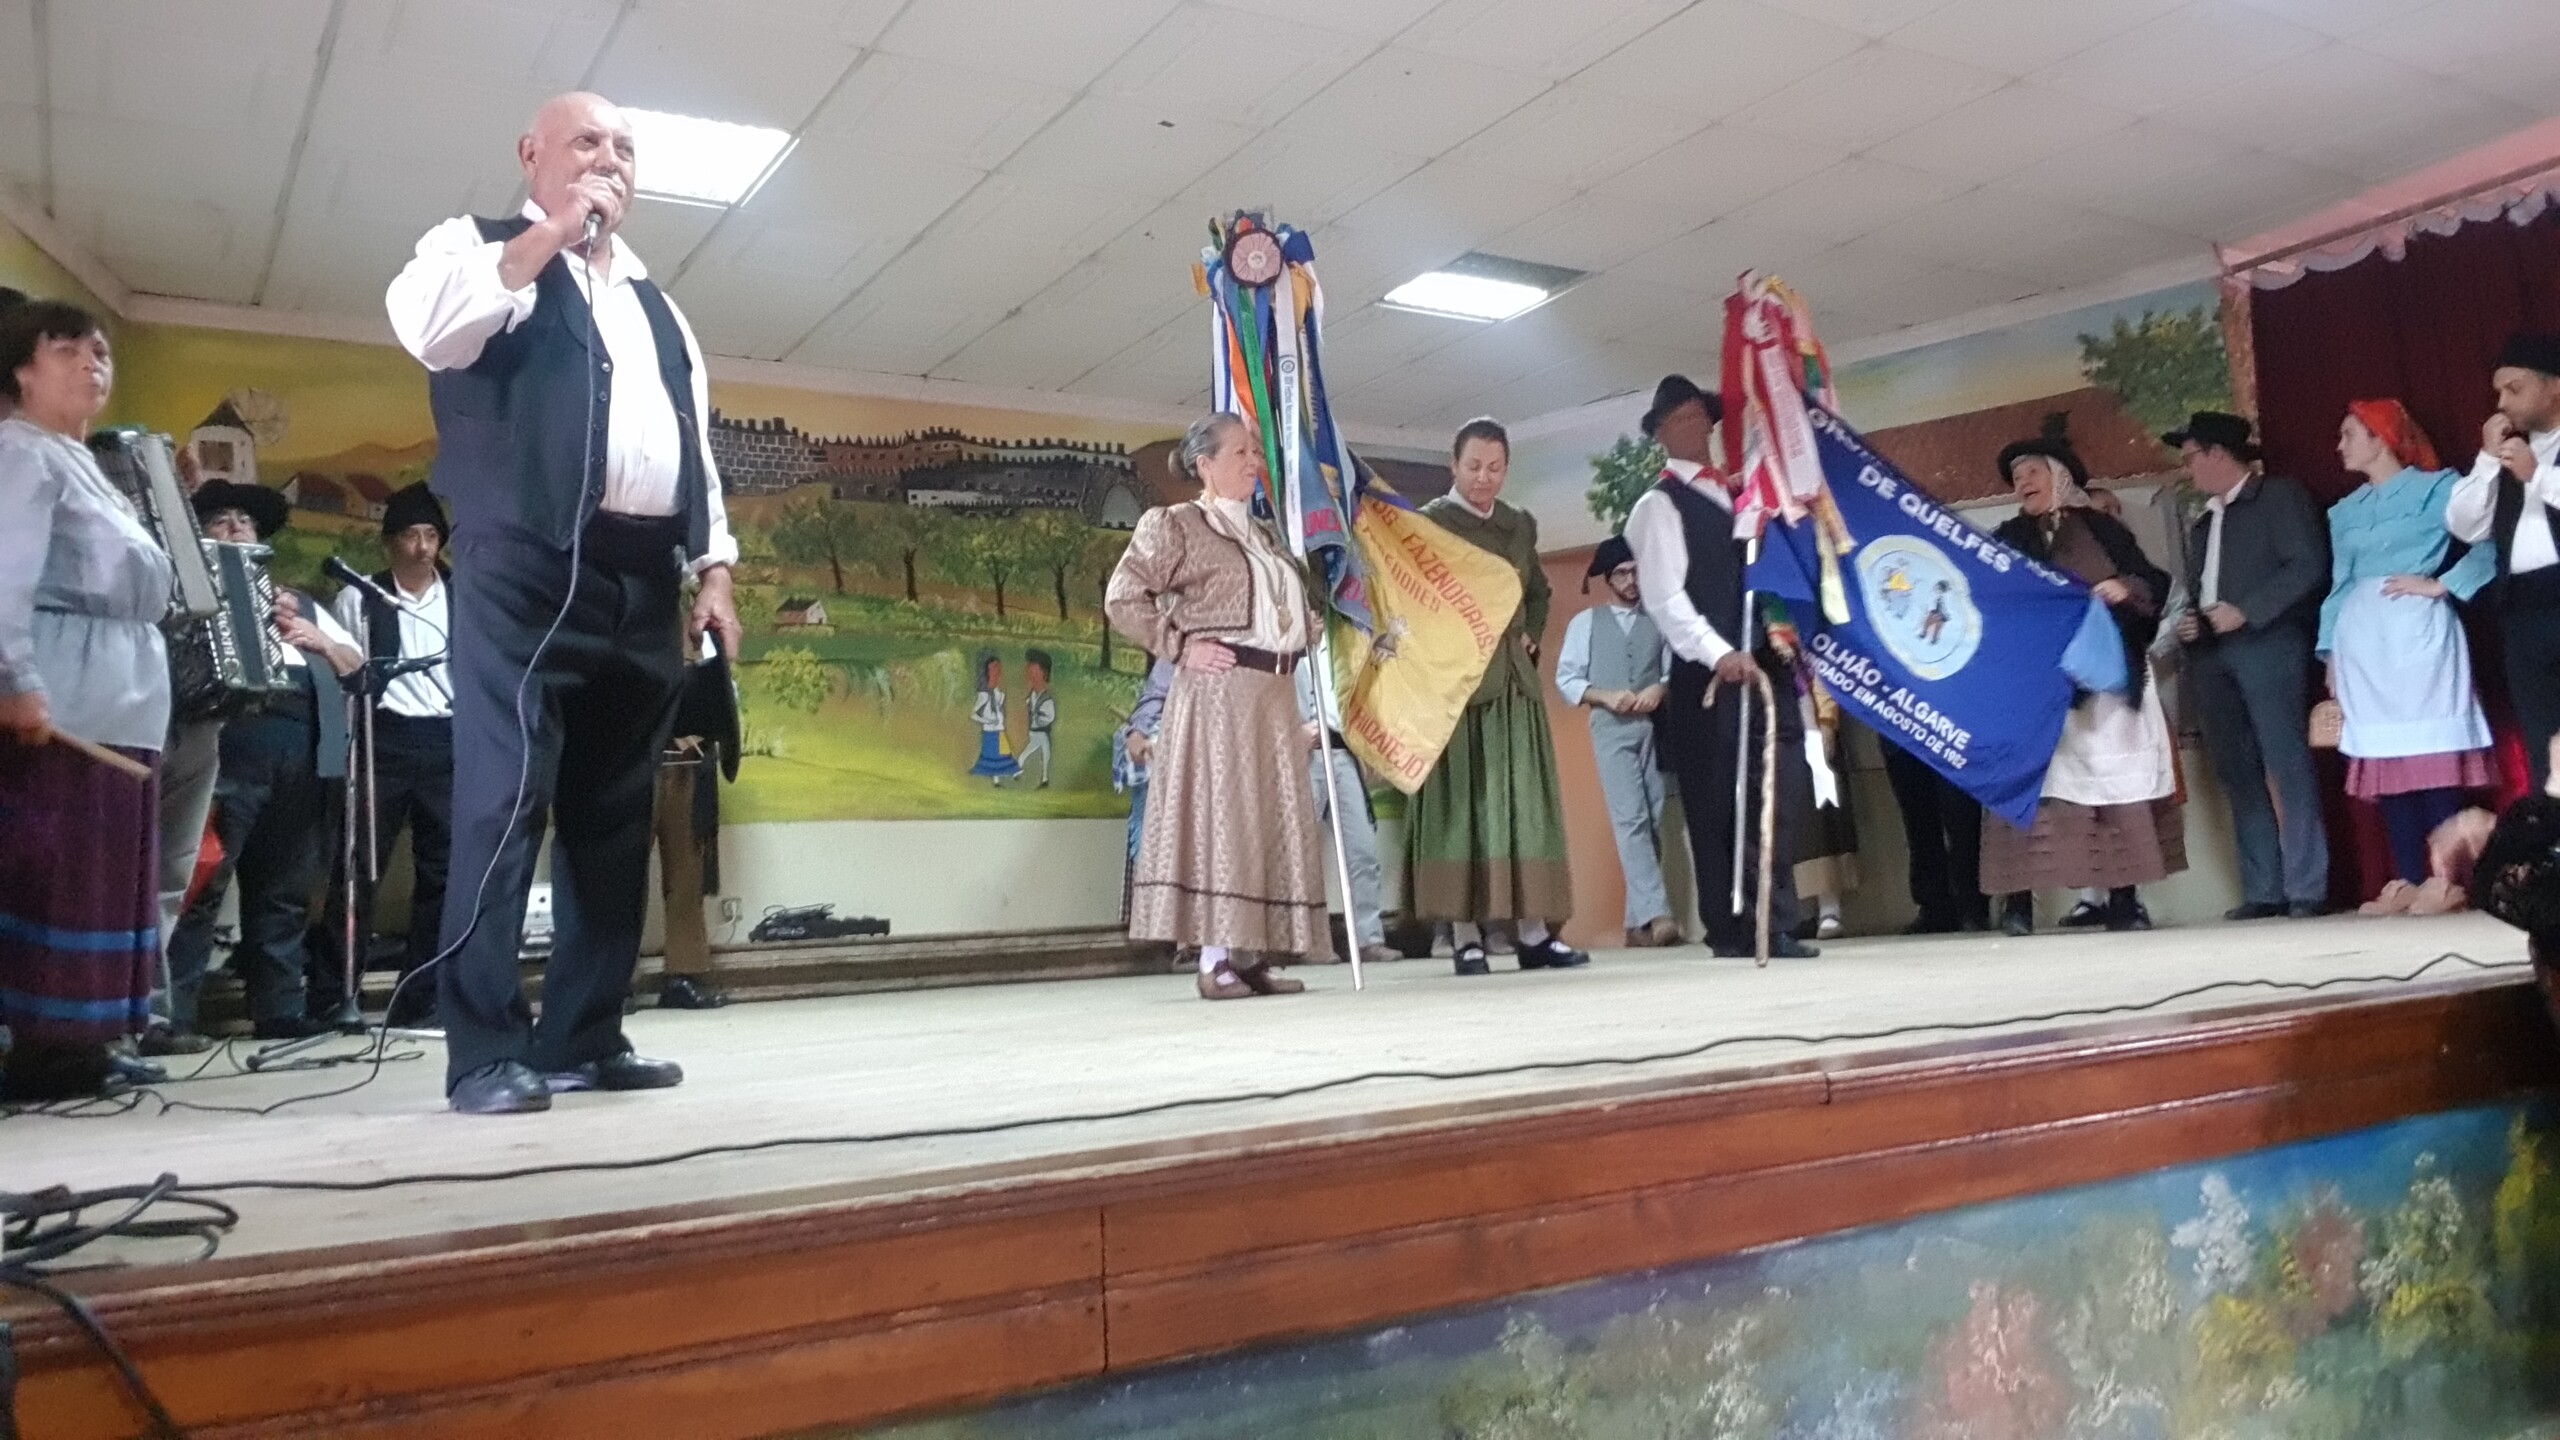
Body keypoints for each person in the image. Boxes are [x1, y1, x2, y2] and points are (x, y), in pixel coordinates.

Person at [386, 91, 742, 1114]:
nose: (609, 159)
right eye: (587, 141)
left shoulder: (660, 307)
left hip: (643, 576)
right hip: (524, 564)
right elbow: (432, 329)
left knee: (615, 813)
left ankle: (583, 1036)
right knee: (504, 802)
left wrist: (714, 568)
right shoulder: (474, 245)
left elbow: (692, 445)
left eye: (625, 147)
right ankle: (482, 1052)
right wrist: (551, 235)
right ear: (531, 152)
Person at [0, 300, 171, 1100]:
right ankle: (46, 1049)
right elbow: (5, 575)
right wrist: (17, 680)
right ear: (21, 371)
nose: (90, 362)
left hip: (120, 694)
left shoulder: (82, 463)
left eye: (99, 350)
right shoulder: (19, 451)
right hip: (68, 689)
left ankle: (84, 1041)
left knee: (102, 872)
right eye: (65, 349)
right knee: (58, 872)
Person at [1105, 413, 1321, 1000]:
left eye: (1256, 452)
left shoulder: (1267, 536)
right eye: (1241, 452)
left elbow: (1286, 614)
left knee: (1266, 822)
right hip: (1220, 694)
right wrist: (1180, 646)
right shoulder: (1176, 525)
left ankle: (1252, 956)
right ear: (1204, 464)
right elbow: (1123, 597)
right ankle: (1214, 959)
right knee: (1224, 819)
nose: (1254, 461)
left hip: (1274, 695)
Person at [1626, 375, 1819, 960]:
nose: (1697, 427)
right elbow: (1665, 598)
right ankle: (1733, 927)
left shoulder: (1741, 496)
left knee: (1774, 790)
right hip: (1709, 675)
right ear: (1661, 434)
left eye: (1700, 416)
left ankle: (1774, 918)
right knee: (1719, 801)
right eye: (1681, 419)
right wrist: (1718, 652)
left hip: (1764, 664)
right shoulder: (1658, 505)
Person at [166, 483, 362, 1041]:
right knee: (202, 881)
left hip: (304, 756)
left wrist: (318, 639)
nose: (235, 527)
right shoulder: (187, 596)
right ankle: (172, 1014)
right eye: (221, 520)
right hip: (227, 751)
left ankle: (280, 1009)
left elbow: (355, 667)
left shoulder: (302, 603)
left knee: (285, 886)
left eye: (245, 521)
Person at [1406, 418, 1590, 976]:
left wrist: (1531, 631)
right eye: (1473, 467)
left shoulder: (1519, 525)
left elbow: (1539, 591)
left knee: (1524, 810)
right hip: (1458, 689)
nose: (1483, 478)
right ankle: (1465, 937)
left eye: (1495, 468)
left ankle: (1534, 934)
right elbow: (1411, 603)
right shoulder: (1428, 525)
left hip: (1513, 685)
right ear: (1453, 466)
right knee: (1462, 809)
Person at [1984, 432, 2184, 934]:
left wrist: (2123, 587)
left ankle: (2124, 899)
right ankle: (2017, 906)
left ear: (2060, 475)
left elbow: (2151, 580)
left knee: (2114, 787)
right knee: (2028, 790)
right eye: (2016, 478)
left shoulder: (2101, 529)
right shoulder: (2007, 537)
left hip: (2102, 682)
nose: (2022, 483)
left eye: (2032, 472)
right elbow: (1988, 599)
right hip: (2036, 688)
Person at [2322, 400, 2495, 917]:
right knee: (2387, 753)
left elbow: (2489, 544)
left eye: (2349, 434)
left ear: (2381, 438)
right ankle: (2410, 876)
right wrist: (2330, 653)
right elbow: (2340, 584)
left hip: (2418, 632)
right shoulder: (2345, 511)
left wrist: (2443, 584)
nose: (2339, 445)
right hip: (2363, 640)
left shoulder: (2438, 489)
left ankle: (2447, 878)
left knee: (2429, 748)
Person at [2170, 411, 2332, 920]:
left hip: (2268, 645)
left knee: (2286, 763)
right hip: (2212, 653)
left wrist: (2249, 610)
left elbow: (2308, 565)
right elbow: (2202, 589)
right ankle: (2264, 888)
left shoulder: (2278, 497)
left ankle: (2307, 885)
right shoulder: (2203, 524)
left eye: (2191, 458)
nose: (2188, 469)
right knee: (2237, 770)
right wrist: (2193, 622)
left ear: (2218, 453)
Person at [312, 481, 456, 1027]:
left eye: (431, 536)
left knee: (443, 873)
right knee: (358, 869)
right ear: (390, 542)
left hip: (447, 737)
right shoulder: (361, 597)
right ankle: (335, 994)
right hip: (383, 739)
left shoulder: (462, 595)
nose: (422, 548)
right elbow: (346, 671)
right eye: (411, 537)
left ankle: (420, 997)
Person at [2445, 332, 2560, 790]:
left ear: (2554, 386)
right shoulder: (2507, 454)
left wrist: (2538, 476)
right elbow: (2465, 526)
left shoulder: (2531, 462)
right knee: (2542, 743)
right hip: (2523, 614)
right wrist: (2486, 460)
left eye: (2514, 389)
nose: (2502, 403)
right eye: (2499, 392)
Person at [1554, 535, 1681, 948]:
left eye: (1635, 572)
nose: (1630, 580)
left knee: (1653, 818)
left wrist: (1659, 689)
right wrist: (1605, 696)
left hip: (1653, 727)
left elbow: (1669, 671)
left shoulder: (1658, 619)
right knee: (1630, 819)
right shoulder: (1586, 623)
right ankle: (1658, 915)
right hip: (1610, 728)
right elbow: (1567, 679)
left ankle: (1635, 924)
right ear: (1608, 579)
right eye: (1622, 574)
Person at [1297, 652, 1399, 968]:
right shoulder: (1285, 643)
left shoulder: (1343, 641)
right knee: (1297, 853)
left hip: (1342, 751)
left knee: (1361, 850)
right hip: (1302, 752)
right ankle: (1302, 941)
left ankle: (1368, 938)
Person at [968, 653, 1021, 784]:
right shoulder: (984, 694)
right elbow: (973, 715)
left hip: (999, 729)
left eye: (998, 669)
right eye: (993, 669)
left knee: (1004, 753)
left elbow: (999, 709)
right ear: (987, 672)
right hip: (990, 731)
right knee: (992, 757)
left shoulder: (998, 692)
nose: (997, 673)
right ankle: (998, 780)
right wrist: (988, 721)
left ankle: (1013, 773)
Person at [1020, 649, 1057, 789]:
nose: (1028, 670)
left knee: (1044, 753)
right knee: (1035, 752)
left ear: (1043, 672)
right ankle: (1021, 769)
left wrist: (1038, 717)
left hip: (1042, 732)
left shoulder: (1046, 699)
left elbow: (1049, 717)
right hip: (1034, 732)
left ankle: (1044, 778)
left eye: (1033, 667)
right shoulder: (1032, 695)